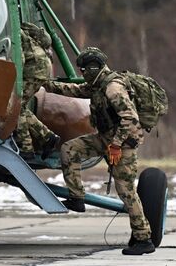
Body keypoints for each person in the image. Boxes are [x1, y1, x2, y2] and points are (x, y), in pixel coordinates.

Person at [44, 47, 155, 256]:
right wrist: (45, 84)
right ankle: (77, 197)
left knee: (126, 191)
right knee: (69, 149)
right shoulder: (96, 85)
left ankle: (143, 238)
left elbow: (130, 119)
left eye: (84, 69)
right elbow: (74, 91)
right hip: (105, 137)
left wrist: (116, 145)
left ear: (93, 68)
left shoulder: (113, 88)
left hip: (123, 143)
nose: (82, 73)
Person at [16, 22, 60, 160]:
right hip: (40, 69)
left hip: (34, 70)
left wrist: (17, 75)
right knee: (20, 107)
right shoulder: (27, 34)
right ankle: (48, 137)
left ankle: (26, 149)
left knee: (15, 107)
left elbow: (20, 58)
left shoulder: (18, 33)